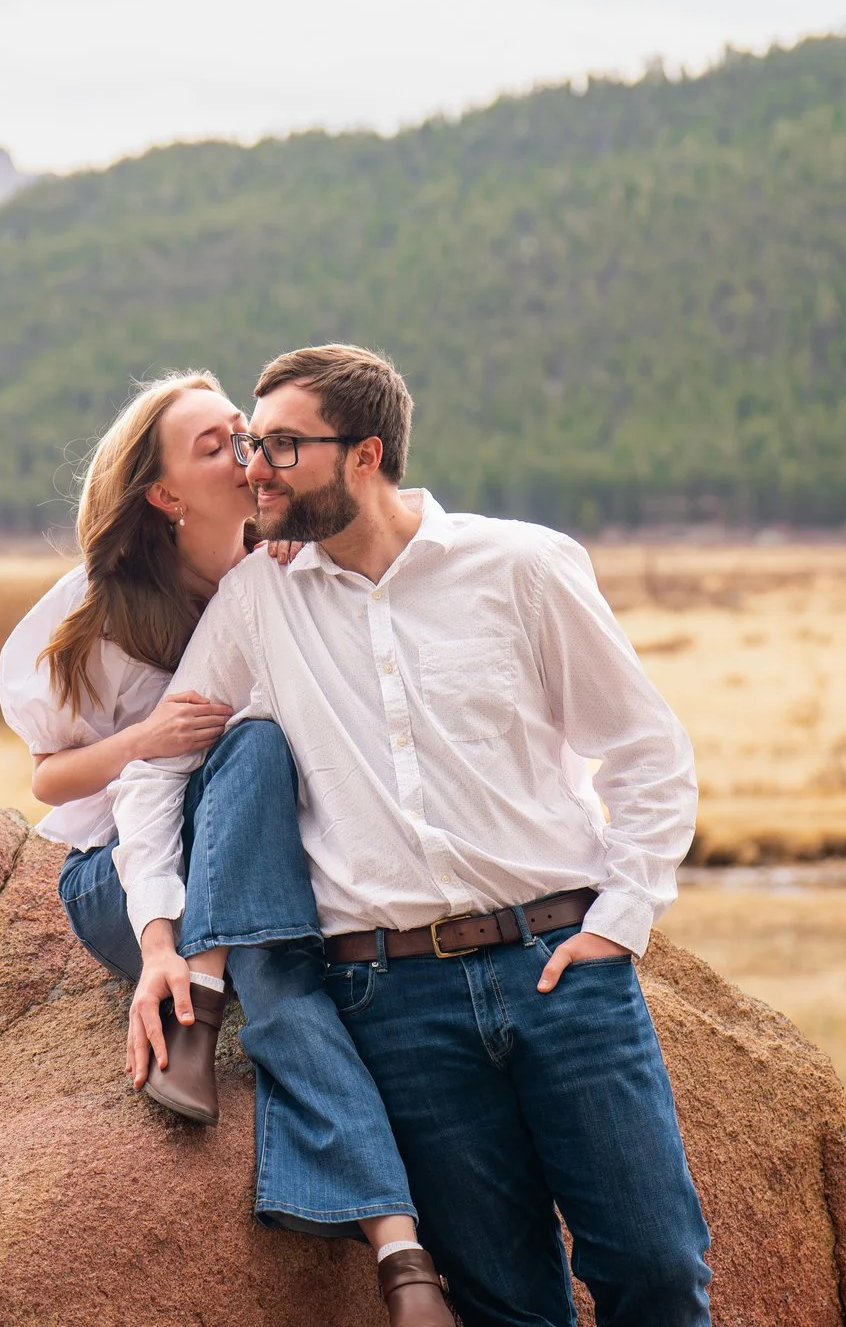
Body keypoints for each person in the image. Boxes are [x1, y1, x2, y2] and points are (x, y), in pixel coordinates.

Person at [110, 346, 713, 1327]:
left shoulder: (519, 564)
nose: (253, 467)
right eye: (252, 442)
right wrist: (159, 932)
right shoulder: (258, 599)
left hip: (559, 967)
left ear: (365, 454)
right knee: (503, 1301)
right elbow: (158, 766)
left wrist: (621, 919)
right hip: (392, 998)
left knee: (654, 1265)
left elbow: (646, 749)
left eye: (281, 445)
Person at [0, 371, 457, 1327]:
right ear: (162, 494)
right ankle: (399, 1249)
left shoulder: (290, 563)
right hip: (121, 874)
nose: (247, 456)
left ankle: (404, 1263)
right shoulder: (98, 609)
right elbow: (47, 777)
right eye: (215, 446)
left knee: (262, 799)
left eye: (247, 435)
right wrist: (143, 745)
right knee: (275, 919)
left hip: (254, 864)